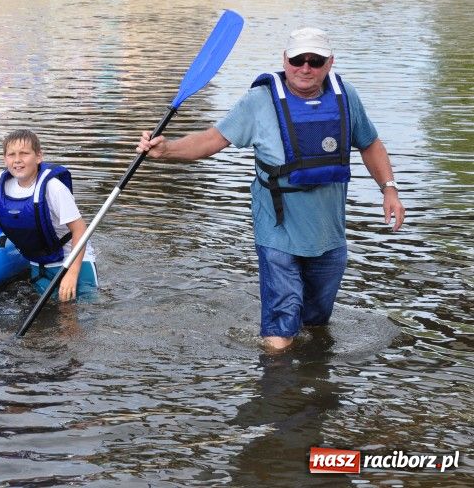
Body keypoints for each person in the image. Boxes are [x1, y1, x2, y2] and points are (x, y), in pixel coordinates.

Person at [137, 27, 405, 353]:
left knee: (316, 322)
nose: (305, 68)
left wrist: (389, 189)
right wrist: (167, 150)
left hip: (328, 234)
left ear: (329, 63)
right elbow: (212, 140)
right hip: (277, 230)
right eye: (298, 60)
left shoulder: (345, 96)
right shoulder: (259, 102)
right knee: (282, 324)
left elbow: (370, 144)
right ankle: (276, 391)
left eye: (315, 60)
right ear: (285, 60)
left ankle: (310, 384)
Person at [0, 129, 99, 302]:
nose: (17, 160)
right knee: (50, 315)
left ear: (38, 157)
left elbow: (80, 230)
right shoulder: (2, 187)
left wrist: (72, 273)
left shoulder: (54, 188)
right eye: (11, 155)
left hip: (73, 261)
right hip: (38, 264)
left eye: (24, 153)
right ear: (5, 159)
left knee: (73, 319)